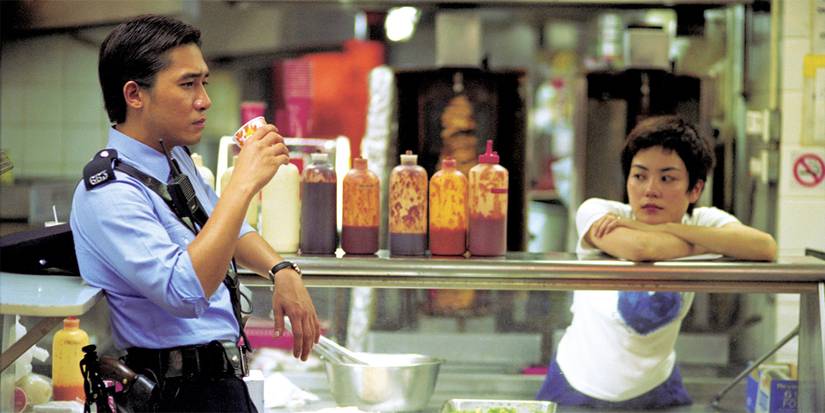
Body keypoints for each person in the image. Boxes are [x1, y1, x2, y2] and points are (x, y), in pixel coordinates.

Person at [70, 15, 320, 412]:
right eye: (188, 84)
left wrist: (279, 269)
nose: (204, 99)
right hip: (172, 393)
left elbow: (224, 225)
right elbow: (183, 292)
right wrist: (243, 183)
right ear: (135, 95)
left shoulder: (174, 160)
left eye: (203, 82)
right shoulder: (109, 193)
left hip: (220, 382)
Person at [536, 115, 777, 409]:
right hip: (576, 384)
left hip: (657, 388)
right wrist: (705, 242)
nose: (650, 189)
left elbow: (764, 247)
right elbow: (641, 249)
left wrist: (668, 228)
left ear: (695, 189)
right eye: (639, 176)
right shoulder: (598, 212)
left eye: (667, 178)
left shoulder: (702, 219)